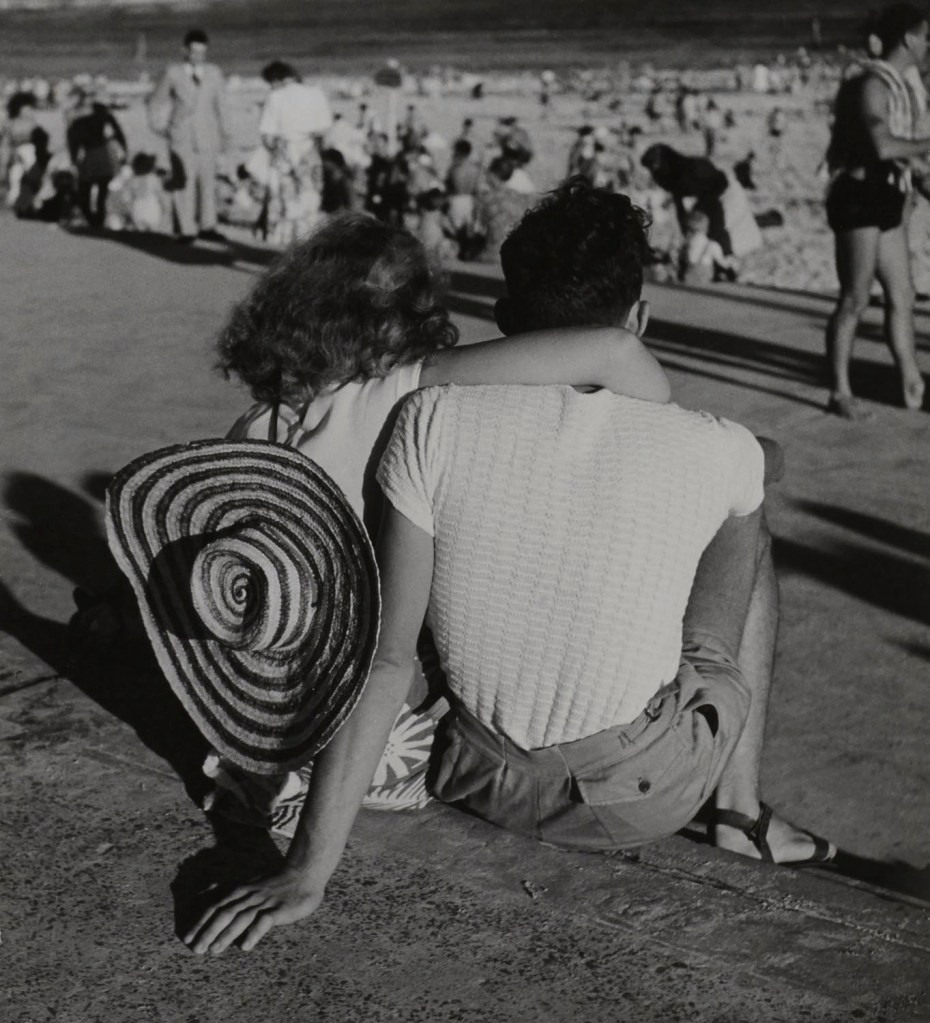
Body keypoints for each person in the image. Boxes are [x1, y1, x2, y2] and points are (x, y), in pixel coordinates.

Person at [184, 183, 834, 956]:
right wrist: (670, 435)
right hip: (556, 774)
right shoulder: (412, 395)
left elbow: (373, 644)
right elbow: (649, 377)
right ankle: (737, 810)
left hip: (343, 736)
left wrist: (310, 872)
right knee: (742, 514)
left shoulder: (302, 426)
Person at [823, 3, 930, 417]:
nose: (928, 46)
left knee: (902, 294)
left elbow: (899, 158)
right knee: (855, 299)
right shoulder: (871, 84)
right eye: (926, 37)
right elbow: (882, 146)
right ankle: (840, 391)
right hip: (858, 196)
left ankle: (910, 380)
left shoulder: (899, 85)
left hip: (886, 195)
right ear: (909, 38)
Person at [148, 28, 230, 243]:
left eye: (202, 53)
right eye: (194, 52)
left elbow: (222, 106)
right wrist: (159, 126)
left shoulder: (214, 72)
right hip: (180, 136)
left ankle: (208, 226)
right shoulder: (173, 72)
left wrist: (226, 135)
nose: (198, 57)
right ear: (185, 50)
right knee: (183, 182)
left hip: (208, 135)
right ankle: (186, 229)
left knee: (208, 182)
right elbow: (157, 101)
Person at [255, 60, 333, 245]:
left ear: (277, 79)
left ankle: (289, 249)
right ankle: (306, 249)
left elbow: (266, 135)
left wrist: (275, 150)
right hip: (309, 150)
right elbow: (324, 129)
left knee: (287, 205)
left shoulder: (275, 97)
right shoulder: (316, 93)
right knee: (310, 204)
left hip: (284, 152)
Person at [66, 87, 127, 229]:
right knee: (102, 190)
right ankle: (98, 219)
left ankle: (93, 219)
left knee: (85, 189)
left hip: (89, 154)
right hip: (102, 153)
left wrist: (74, 158)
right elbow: (119, 134)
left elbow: (73, 141)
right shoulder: (104, 116)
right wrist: (124, 154)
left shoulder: (77, 118)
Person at [0, 91, 51, 216]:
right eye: (26, 108)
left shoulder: (35, 123)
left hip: (33, 154)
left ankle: (29, 203)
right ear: (19, 108)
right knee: (15, 178)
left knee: (31, 178)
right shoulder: (11, 123)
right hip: (17, 154)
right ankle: (16, 203)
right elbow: (6, 143)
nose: (29, 111)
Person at [678, 209, 739, 284]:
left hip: (690, 274)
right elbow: (723, 264)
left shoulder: (687, 244)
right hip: (705, 276)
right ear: (707, 227)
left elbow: (688, 259)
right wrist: (731, 261)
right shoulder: (712, 245)